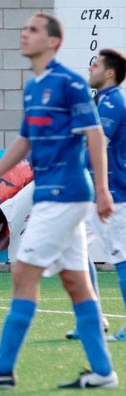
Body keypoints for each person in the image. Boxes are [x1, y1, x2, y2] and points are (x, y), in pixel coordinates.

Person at [0, 13, 117, 390]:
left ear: (53, 42)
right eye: (23, 27)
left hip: (65, 196)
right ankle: (103, 371)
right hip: (53, 195)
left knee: (23, 273)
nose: (24, 33)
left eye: (32, 30)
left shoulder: (69, 83)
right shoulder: (34, 88)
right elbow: (24, 141)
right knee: (78, 285)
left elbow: (94, 135)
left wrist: (104, 190)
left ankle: (2, 369)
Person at [83, 48, 126, 341]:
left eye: (95, 65)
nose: (91, 69)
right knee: (75, 251)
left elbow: (96, 146)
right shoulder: (102, 101)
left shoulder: (113, 103)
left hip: (114, 193)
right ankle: (93, 319)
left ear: (109, 72)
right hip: (96, 191)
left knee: (121, 256)